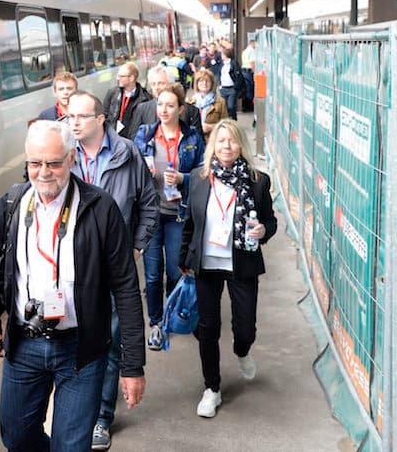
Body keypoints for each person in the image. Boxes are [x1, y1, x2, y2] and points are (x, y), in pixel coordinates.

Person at [0, 120, 147, 451]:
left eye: (54, 163)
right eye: (35, 163)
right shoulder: (12, 204)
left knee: (70, 446)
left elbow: (126, 287)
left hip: (80, 350)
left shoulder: (100, 208)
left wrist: (132, 365)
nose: (44, 172)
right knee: (16, 437)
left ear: (72, 158)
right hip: (24, 343)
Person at [65, 91, 157, 450]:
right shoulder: (64, 155)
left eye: (81, 116)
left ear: (100, 119)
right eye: (69, 116)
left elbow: (148, 204)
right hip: (71, 269)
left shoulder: (127, 153)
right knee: (73, 339)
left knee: (111, 340)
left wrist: (136, 246)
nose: (73, 122)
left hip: (113, 267)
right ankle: (78, 406)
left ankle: (101, 416)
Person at [179, 119, 277, 418]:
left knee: (245, 326)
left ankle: (242, 350)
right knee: (207, 329)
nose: (226, 146)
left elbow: (270, 220)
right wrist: (183, 259)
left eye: (232, 140)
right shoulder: (199, 179)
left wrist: (264, 230)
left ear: (240, 145)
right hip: (207, 265)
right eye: (220, 141)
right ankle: (212, 388)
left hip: (242, 262)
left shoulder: (257, 181)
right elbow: (190, 223)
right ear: (213, 145)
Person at [133, 83, 205, 351]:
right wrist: (145, 173)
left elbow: (203, 174)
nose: (163, 110)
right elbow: (132, 168)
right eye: (160, 104)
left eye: (170, 105)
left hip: (178, 214)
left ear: (181, 109)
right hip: (151, 213)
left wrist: (183, 179)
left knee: (175, 271)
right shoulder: (144, 135)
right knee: (152, 275)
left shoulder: (192, 138)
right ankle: (155, 323)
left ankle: (170, 315)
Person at [132, 66, 203, 135]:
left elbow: (198, 140)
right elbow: (133, 137)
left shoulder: (191, 111)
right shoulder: (142, 109)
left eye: (161, 83)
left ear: (171, 84)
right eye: (153, 84)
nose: (156, 87)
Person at [102, 61, 150, 139]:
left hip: (132, 140)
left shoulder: (145, 98)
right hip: (113, 138)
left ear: (131, 78)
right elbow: (104, 114)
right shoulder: (112, 93)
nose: (118, 78)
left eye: (121, 76)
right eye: (118, 75)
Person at [191, 69, 227, 136]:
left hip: (212, 138)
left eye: (207, 81)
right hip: (194, 139)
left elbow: (225, 124)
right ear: (197, 83)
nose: (204, 83)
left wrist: (211, 127)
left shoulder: (220, 102)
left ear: (212, 84)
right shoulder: (190, 101)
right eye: (201, 81)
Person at [213, 48, 245, 121]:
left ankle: (233, 120)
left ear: (226, 55)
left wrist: (235, 86)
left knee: (231, 106)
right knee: (224, 107)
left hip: (231, 88)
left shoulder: (233, 63)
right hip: (223, 88)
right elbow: (219, 73)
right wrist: (219, 84)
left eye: (222, 54)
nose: (221, 56)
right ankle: (226, 121)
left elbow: (238, 76)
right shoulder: (222, 64)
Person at [241, 39, 257, 112]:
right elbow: (252, 63)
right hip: (249, 72)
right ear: (252, 43)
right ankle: (250, 106)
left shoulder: (244, 51)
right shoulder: (252, 51)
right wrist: (255, 72)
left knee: (246, 89)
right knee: (250, 89)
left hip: (244, 71)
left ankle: (245, 106)